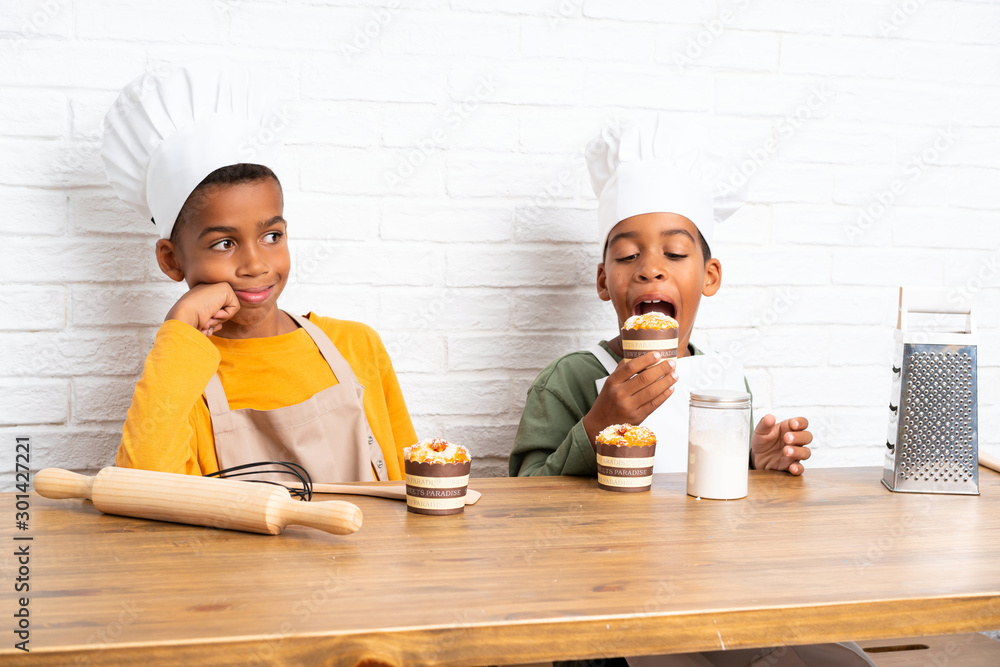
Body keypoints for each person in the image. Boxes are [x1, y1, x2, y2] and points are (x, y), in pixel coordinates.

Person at [509, 114, 875, 667]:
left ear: (709, 277)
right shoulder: (569, 379)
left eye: (675, 255)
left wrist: (759, 460)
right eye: (628, 255)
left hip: (716, 592)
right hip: (611, 598)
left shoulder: (726, 380)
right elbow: (519, 514)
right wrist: (598, 426)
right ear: (604, 280)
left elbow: (732, 511)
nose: (650, 270)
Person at [102, 65, 416, 482]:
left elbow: (414, 487)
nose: (256, 264)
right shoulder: (182, 377)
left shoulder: (357, 347)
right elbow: (142, 490)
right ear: (171, 260)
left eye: (272, 235)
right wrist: (179, 329)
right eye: (223, 244)